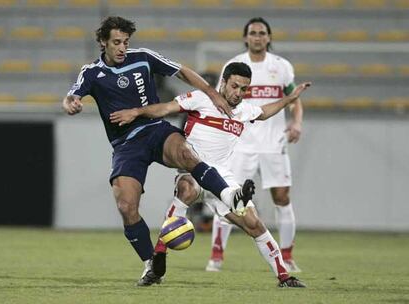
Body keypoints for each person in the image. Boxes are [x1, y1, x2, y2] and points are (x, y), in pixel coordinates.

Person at [62, 16, 252, 287]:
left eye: (125, 42)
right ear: (103, 42)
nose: (122, 48)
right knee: (126, 206)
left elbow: (183, 71)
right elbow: (71, 96)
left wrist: (212, 92)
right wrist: (71, 104)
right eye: (116, 42)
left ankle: (229, 197)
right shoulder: (91, 72)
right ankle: (151, 264)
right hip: (126, 146)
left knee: (187, 155)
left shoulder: (143, 57)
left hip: (155, 130)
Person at [110, 62, 311, 287]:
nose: (238, 93)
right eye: (235, 86)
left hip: (222, 175)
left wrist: (291, 98)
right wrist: (136, 112)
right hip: (192, 166)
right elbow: (166, 108)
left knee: (254, 224)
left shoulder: (244, 110)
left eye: (243, 89)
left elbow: (264, 112)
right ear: (223, 82)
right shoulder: (202, 99)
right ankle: (159, 257)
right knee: (187, 189)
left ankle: (284, 276)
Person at [204, 17, 305, 273]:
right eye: (253, 33)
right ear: (246, 37)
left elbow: (293, 99)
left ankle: (287, 256)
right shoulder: (234, 65)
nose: (257, 37)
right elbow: (220, 100)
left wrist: (296, 123)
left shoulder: (281, 67)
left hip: (274, 143)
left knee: (282, 198)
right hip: (242, 145)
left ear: (269, 37)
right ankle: (216, 256)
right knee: (229, 199)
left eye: (262, 33)